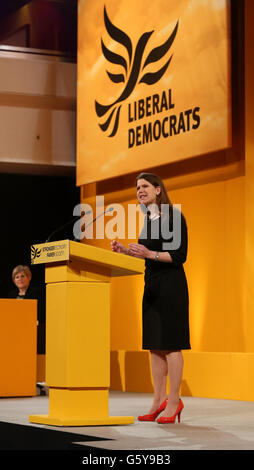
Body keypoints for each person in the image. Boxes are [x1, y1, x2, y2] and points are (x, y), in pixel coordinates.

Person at [111, 172, 190, 424]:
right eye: (137, 188)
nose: (139, 190)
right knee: (155, 345)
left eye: (144, 186)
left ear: (158, 190)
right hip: (152, 286)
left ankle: (174, 401)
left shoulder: (173, 217)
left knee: (171, 343)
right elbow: (147, 254)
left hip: (171, 286)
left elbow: (178, 255)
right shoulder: (148, 220)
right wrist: (127, 251)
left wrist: (149, 252)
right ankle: (157, 401)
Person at [8, 265, 46, 355]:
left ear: (29, 277)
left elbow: (41, 311)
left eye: (23, 276)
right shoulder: (11, 295)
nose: (20, 279)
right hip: (15, 331)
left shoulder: (37, 293)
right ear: (14, 280)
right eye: (17, 277)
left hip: (33, 330)